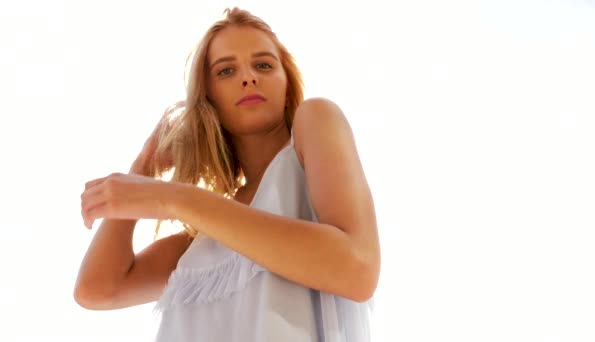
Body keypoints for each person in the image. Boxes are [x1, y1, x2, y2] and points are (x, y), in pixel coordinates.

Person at [75, 7, 380, 342]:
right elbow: (97, 290)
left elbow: (357, 269)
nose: (248, 77)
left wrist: (170, 198)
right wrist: (144, 165)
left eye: (263, 64)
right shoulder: (201, 241)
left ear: (286, 83)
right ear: (208, 99)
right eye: (226, 71)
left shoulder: (316, 119)